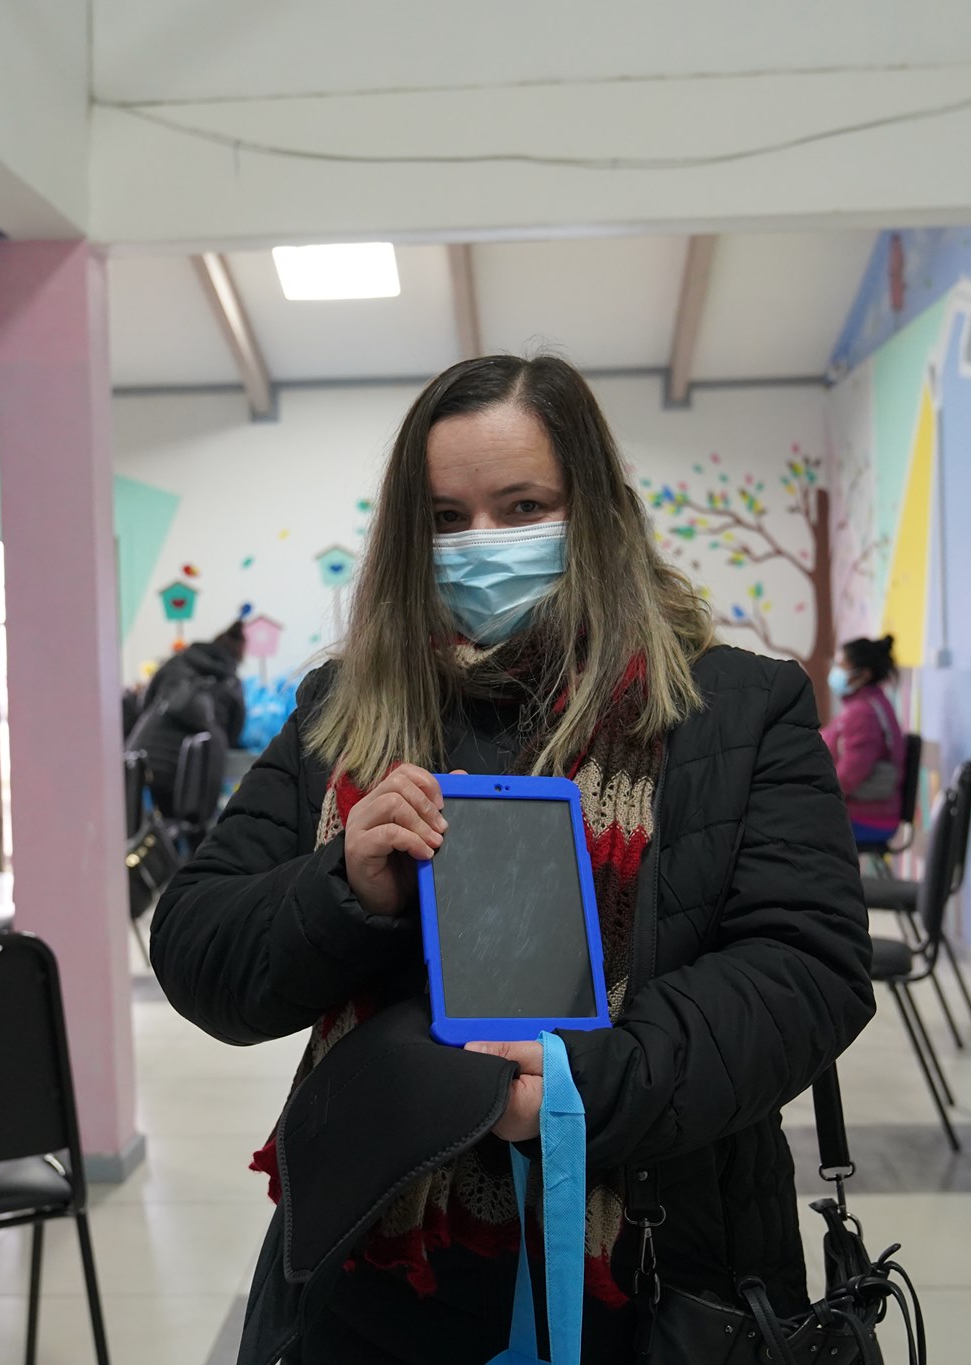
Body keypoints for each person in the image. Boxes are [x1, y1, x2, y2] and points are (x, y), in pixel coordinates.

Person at [150, 355, 874, 1364]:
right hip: (378, 1274)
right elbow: (195, 945)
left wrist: (588, 1085)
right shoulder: (340, 710)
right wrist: (344, 891)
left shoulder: (736, 709)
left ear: (595, 512)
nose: (479, 545)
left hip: (659, 1278)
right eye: (444, 520)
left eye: (521, 505)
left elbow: (806, 969)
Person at [126, 620, 248, 811]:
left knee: (139, 828)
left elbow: (144, 703)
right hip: (188, 772)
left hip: (142, 754)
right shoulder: (230, 683)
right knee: (179, 830)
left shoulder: (177, 662)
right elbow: (235, 731)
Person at [820, 635, 906, 845]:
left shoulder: (863, 713)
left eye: (842, 665)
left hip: (868, 818)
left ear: (864, 674)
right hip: (867, 813)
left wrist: (814, 796)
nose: (836, 671)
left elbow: (849, 775)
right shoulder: (867, 704)